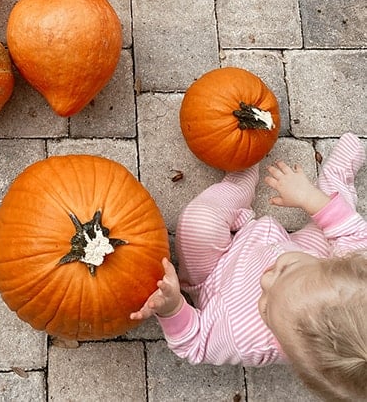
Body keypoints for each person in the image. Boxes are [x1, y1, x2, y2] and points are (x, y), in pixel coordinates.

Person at [130, 133, 367, 401]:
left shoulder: (245, 338)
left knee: (197, 224)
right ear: (335, 266)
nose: (265, 281)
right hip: (292, 245)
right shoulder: (348, 270)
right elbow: (351, 232)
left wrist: (172, 308)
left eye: (265, 308)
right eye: (286, 271)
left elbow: (194, 344)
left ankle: (240, 179)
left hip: (213, 276)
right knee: (341, 221)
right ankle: (333, 180)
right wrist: (307, 197)